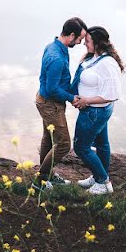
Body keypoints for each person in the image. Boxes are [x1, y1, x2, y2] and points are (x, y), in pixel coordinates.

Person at [35, 17, 87, 190]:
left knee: (49, 139)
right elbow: (52, 89)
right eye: (79, 39)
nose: (80, 43)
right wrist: (72, 98)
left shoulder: (55, 46)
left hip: (47, 101)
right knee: (64, 144)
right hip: (50, 103)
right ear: (71, 35)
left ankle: (46, 175)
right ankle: (41, 181)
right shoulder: (56, 56)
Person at [71, 26, 124, 195]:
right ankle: (98, 176)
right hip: (93, 111)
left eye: (87, 41)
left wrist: (86, 100)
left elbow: (111, 95)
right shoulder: (94, 57)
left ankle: (103, 182)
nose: (84, 44)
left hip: (94, 112)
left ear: (98, 43)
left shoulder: (108, 64)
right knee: (102, 144)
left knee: (81, 147)